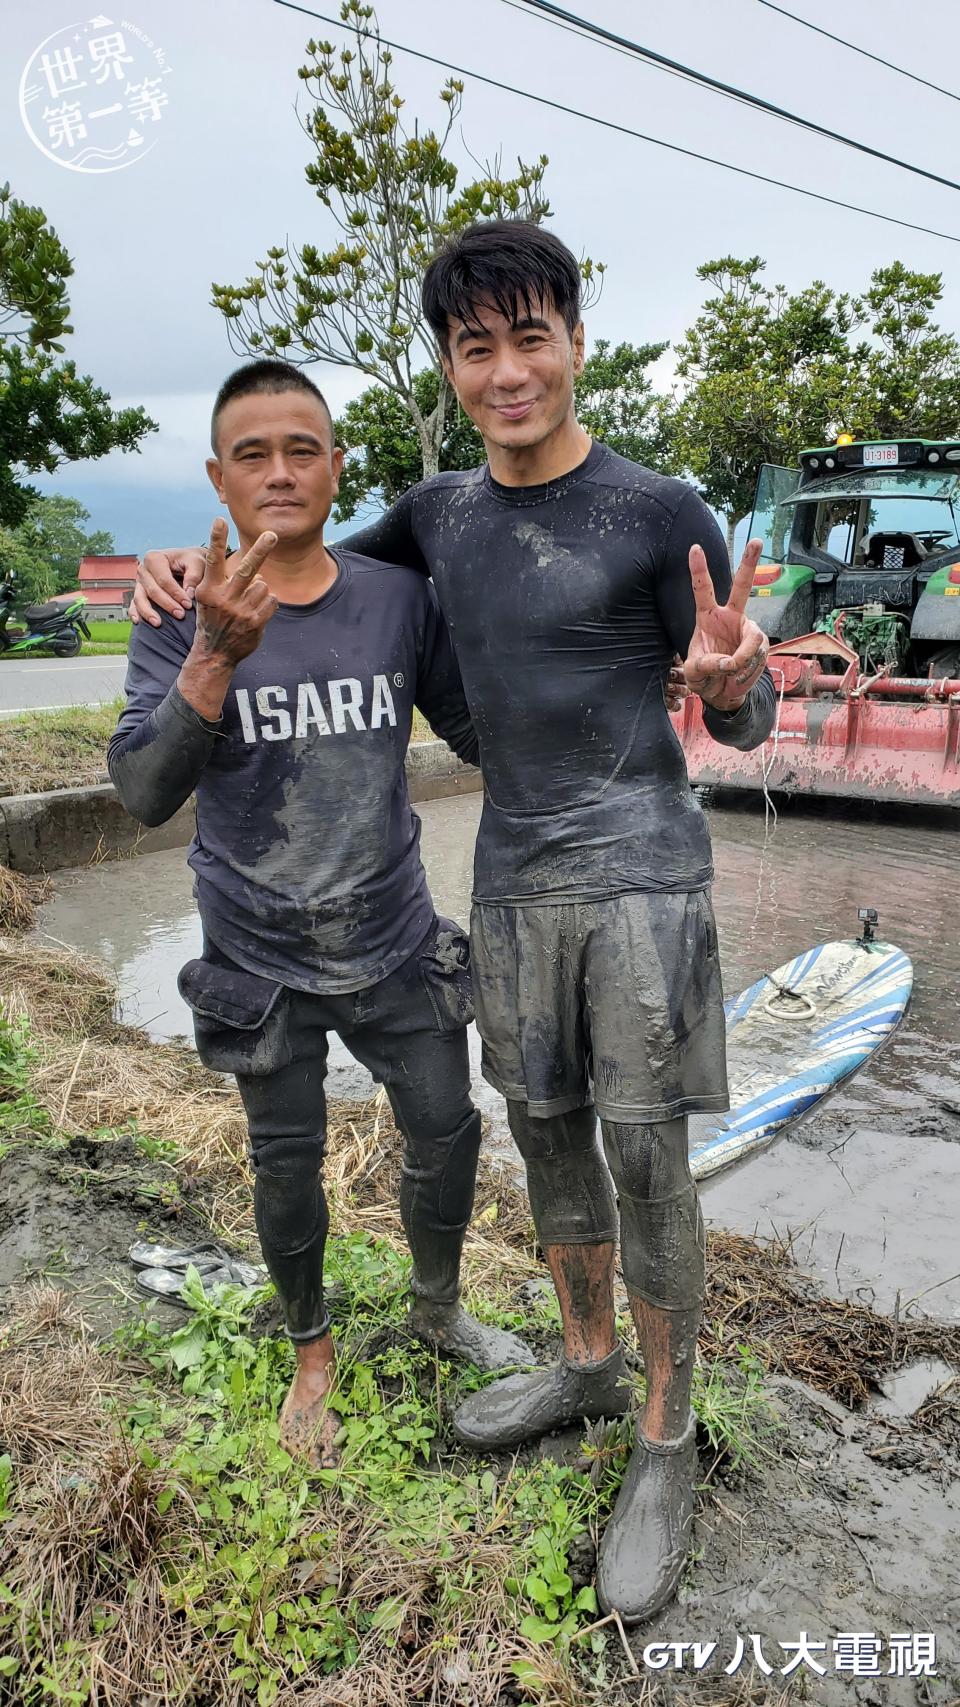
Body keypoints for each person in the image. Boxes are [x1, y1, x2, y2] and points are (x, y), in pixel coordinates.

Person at [129, 221, 774, 1621]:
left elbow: (747, 701)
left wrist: (730, 686)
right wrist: (186, 567)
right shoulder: (436, 517)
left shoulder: (664, 512)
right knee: (543, 1137)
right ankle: (588, 1362)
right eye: (475, 346)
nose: (506, 370)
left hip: (647, 878)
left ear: (576, 342)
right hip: (512, 881)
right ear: (449, 363)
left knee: (648, 1160)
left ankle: (661, 1436)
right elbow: (294, 552)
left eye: (530, 336)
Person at [108, 358, 535, 1469]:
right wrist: (213, 658)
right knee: (285, 1166)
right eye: (254, 453)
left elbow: (484, 734)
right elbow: (146, 792)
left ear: (339, 468)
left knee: (447, 1133)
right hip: (258, 957)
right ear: (218, 476)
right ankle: (311, 1354)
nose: (282, 471)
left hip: (394, 940)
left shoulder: (396, 598)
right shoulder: (175, 613)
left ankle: (436, 1309)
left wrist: (627, 681)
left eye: (304, 449)